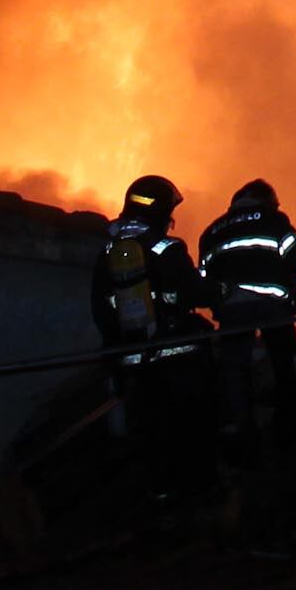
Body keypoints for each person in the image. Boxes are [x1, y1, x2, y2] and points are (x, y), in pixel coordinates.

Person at [92, 174, 216, 502]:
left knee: (147, 433)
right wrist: (219, 290)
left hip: (129, 361)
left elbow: (100, 308)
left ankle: (157, 498)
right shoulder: (166, 248)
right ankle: (193, 495)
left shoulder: (108, 250)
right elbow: (192, 293)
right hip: (176, 360)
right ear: (163, 213)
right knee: (188, 430)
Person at [196, 177, 296, 445]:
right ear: (268, 200)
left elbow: (203, 280)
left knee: (235, 368)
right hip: (272, 306)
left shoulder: (212, 230)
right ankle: (285, 427)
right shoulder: (274, 218)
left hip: (232, 310)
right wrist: (288, 280)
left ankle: (242, 430)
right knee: (283, 363)